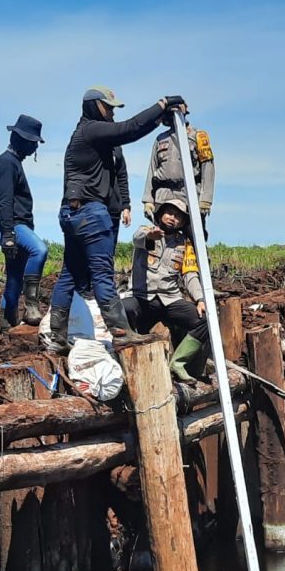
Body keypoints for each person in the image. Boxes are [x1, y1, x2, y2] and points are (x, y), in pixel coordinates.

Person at [47, 86, 185, 351]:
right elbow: (130, 129)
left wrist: (158, 119)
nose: (111, 113)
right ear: (93, 105)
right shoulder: (91, 129)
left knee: (70, 273)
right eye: (107, 107)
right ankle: (121, 332)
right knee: (102, 273)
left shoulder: (91, 137)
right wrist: (161, 105)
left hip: (71, 213)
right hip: (89, 213)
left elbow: (122, 157)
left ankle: (57, 337)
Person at [124, 200, 208, 383]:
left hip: (169, 300)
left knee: (204, 320)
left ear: (183, 222)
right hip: (142, 297)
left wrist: (200, 299)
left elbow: (190, 275)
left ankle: (178, 363)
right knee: (124, 309)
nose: (172, 218)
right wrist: (150, 237)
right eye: (169, 213)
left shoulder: (185, 245)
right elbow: (138, 239)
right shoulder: (146, 231)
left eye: (178, 216)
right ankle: (129, 359)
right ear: (160, 214)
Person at [0, 115, 48, 329]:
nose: (34, 147)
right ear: (20, 139)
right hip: (12, 226)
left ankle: (7, 323)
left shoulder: (12, 162)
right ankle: (31, 306)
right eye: (32, 142)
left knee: (14, 276)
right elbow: (4, 201)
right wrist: (8, 235)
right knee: (39, 250)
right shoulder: (7, 163)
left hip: (14, 226)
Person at [142, 106, 215, 227]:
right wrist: (148, 200)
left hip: (188, 194)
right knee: (161, 236)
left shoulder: (198, 136)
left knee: (192, 236)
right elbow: (152, 168)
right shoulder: (161, 138)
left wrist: (205, 199)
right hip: (163, 196)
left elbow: (208, 168)